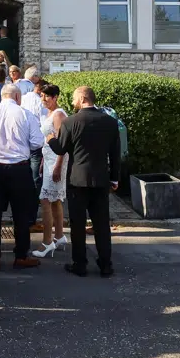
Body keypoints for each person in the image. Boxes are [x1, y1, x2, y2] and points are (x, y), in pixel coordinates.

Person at [46, 86, 123, 278]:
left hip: (77, 179)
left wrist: (50, 139)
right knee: (102, 223)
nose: (72, 102)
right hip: (100, 178)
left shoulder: (70, 122)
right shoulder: (110, 122)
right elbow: (115, 154)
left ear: (82, 99)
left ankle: (79, 264)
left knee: (77, 224)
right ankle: (106, 264)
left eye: (74, 98)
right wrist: (114, 177)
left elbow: (61, 149)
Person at [0, 84, 45, 271]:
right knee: (21, 214)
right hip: (18, 169)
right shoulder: (25, 114)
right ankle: (21, 255)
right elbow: (38, 141)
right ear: (16, 96)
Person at [31, 84, 70, 258]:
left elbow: (64, 145)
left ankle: (47, 242)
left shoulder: (59, 115)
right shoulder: (48, 114)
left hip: (57, 160)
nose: (43, 99)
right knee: (54, 200)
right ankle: (60, 236)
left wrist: (58, 165)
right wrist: (43, 161)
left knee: (45, 199)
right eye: (42, 96)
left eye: (47, 96)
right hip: (48, 159)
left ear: (55, 97)